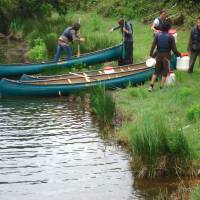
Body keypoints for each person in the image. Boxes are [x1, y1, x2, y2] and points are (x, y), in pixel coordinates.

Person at [148, 21, 181, 92]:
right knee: (165, 72)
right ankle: (161, 87)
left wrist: (151, 55)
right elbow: (174, 50)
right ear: (169, 28)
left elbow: (153, 46)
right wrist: (179, 54)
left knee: (156, 71)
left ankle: (151, 86)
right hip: (166, 56)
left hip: (158, 55)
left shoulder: (157, 35)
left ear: (162, 27)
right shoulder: (171, 37)